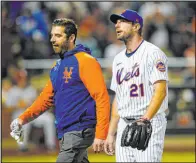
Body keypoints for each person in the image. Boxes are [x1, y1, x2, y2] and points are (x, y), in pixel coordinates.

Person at [10, 18, 110, 162]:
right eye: (52, 35)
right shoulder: (58, 66)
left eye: (58, 35)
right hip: (66, 131)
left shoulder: (86, 61)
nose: (52, 39)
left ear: (71, 38)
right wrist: (22, 119)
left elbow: (101, 97)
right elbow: (45, 99)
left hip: (79, 130)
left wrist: (101, 134)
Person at [104, 9, 168, 162]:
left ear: (136, 26)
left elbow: (160, 91)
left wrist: (144, 119)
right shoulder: (118, 59)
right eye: (116, 22)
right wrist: (111, 133)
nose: (117, 25)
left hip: (149, 123)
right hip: (124, 124)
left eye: (122, 21)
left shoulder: (153, 53)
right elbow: (118, 99)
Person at [6, 70, 56, 152]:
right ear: (17, 79)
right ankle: (22, 147)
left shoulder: (31, 89)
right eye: (21, 78)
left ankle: (51, 145)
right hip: (19, 113)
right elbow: (7, 108)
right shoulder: (12, 91)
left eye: (24, 78)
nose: (23, 80)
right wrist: (18, 106)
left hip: (32, 113)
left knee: (49, 118)